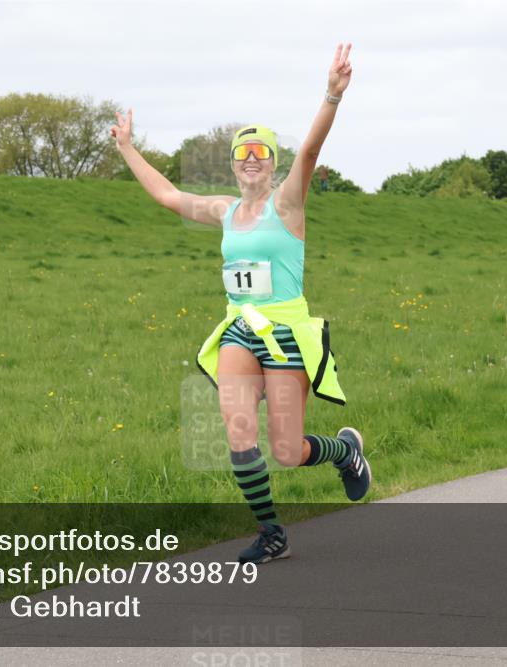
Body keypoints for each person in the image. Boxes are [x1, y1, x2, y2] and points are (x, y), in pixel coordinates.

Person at [111, 42, 370, 565]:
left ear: (272, 165)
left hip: (287, 333)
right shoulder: (225, 211)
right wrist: (127, 149)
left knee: (287, 450)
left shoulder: (287, 204)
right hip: (239, 330)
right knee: (236, 427)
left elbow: (311, 153)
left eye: (261, 154)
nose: (252, 160)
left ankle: (345, 451)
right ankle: (272, 533)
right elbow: (167, 197)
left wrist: (331, 96)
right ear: (232, 166)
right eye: (242, 154)